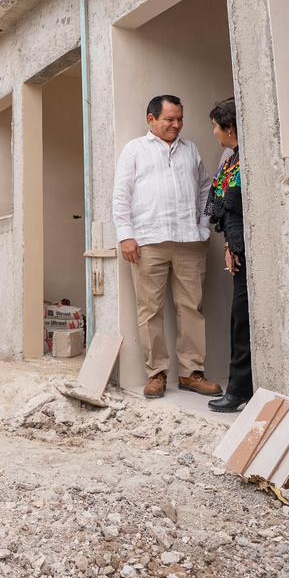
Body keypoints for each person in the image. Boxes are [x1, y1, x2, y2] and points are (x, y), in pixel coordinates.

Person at [113, 94, 220, 400]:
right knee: (150, 311)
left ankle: (191, 373)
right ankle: (156, 373)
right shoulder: (135, 149)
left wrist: (203, 226)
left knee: (191, 308)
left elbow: (204, 189)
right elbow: (122, 194)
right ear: (152, 119)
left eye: (180, 119)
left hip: (189, 241)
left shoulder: (190, 150)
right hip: (148, 242)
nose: (177, 125)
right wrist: (126, 235)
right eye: (170, 119)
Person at [205, 97, 253, 412]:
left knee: (243, 321)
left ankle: (239, 390)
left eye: (215, 126)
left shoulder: (246, 159)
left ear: (230, 128)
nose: (213, 132)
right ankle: (240, 388)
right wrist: (229, 245)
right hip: (238, 249)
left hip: (252, 251)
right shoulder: (230, 158)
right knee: (240, 319)